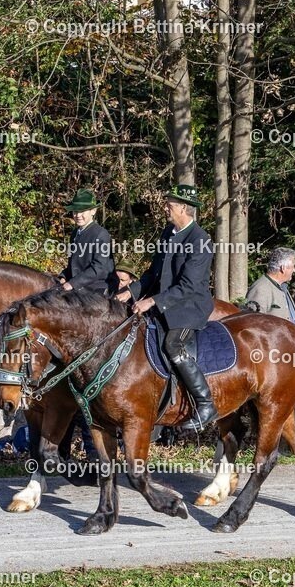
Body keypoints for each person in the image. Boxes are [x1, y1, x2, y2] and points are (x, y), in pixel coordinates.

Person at [118, 183, 216, 431]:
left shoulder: (201, 240)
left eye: (169, 204)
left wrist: (152, 301)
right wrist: (129, 292)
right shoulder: (167, 233)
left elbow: (188, 286)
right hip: (164, 302)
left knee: (173, 344)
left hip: (189, 307)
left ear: (183, 207)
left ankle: (205, 404)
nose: (165, 208)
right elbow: (153, 274)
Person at [58, 188, 115, 293]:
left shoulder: (101, 234)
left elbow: (99, 267)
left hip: (96, 289)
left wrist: (72, 283)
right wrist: (63, 276)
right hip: (77, 286)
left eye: (82, 211)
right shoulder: (75, 233)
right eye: (75, 211)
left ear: (93, 211)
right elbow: (73, 265)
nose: (78, 215)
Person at [244, 248, 295, 323]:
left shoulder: (282, 287)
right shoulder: (261, 289)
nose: (294, 270)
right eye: (293, 266)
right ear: (283, 268)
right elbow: (253, 323)